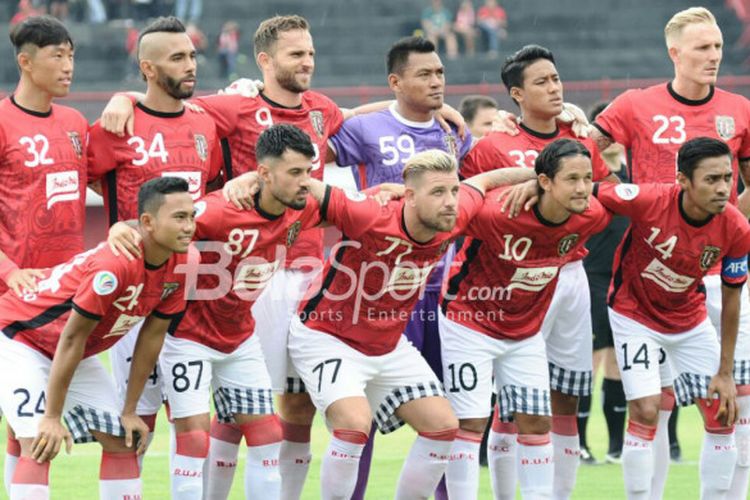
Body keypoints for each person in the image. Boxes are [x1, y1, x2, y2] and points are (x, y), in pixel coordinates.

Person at [281, 149, 535, 499]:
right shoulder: (368, 212)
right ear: (410, 196)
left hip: (388, 345)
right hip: (326, 337)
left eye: (452, 191)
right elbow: (305, 184)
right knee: (355, 425)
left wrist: (539, 177)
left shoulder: (456, 211)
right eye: (437, 193)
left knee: (443, 427)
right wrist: (253, 178)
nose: (450, 202)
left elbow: (486, 180)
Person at [589, 8, 750, 497]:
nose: (714, 57)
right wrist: (625, 196)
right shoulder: (637, 104)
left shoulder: (739, 109)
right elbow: (585, 149)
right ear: (674, 52)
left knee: (733, 398)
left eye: (718, 47)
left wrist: (723, 225)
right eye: (703, 48)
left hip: (716, 268)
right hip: (651, 267)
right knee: (652, 404)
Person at [461, 44, 617, 500]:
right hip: (513, 279)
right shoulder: (493, 147)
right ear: (516, 94)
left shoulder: (580, 140)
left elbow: (603, 195)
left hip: (569, 273)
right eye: (541, 82)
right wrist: (526, 180)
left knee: (566, 396)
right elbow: (471, 204)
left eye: (556, 79)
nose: (554, 87)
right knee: (513, 403)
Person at [326, 35, 474, 498]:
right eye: (424, 74)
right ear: (396, 81)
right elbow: (316, 143)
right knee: (361, 415)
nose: (437, 82)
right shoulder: (366, 130)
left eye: (440, 73)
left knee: (445, 411)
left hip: (439, 289)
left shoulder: (453, 135)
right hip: (377, 292)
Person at [0, 176, 195, 500]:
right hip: (19, 336)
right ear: (146, 222)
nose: (189, 226)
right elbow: (73, 337)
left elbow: (151, 338)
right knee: (39, 440)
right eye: (179, 217)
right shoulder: (114, 265)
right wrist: (52, 416)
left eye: (191, 217)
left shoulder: (183, 263)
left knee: (122, 437)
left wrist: (130, 409)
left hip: (68, 349)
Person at [440, 138, 611, 499]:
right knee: (470, 422)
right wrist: (517, 176)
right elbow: (457, 198)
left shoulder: (592, 215)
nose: (583, 189)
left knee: (537, 422)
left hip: (525, 330)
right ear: (545, 182)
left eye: (587, 178)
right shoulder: (495, 212)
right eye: (572, 180)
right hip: (468, 321)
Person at [87, 15, 222, 465]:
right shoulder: (115, 125)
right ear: (147, 68)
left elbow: (215, 195)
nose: (190, 66)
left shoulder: (206, 127)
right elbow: (78, 182)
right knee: (133, 428)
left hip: (192, 294)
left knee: (194, 427)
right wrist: (116, 227)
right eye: (177, 58)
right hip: (130, 299)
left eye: (192, 56)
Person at [0, 16, 89, 494]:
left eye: (71, 55)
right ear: (26, 61)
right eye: (57, 55)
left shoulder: (76, 124)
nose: (68, 65)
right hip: (12, 305)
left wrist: (125, 101)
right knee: (36, 434)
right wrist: (10, 272)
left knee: (29, 430)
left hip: (69, 303)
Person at [577, 102, 630, 466]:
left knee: (617, 365)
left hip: (624, 280)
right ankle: (579, 443)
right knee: (589, 364)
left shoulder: (632, 176)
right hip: (590, 278)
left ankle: (616, 447)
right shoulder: (585, 181)